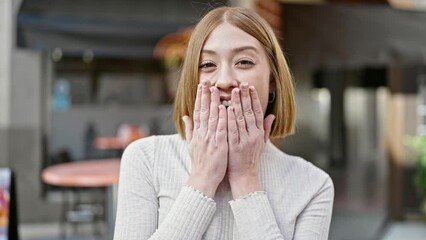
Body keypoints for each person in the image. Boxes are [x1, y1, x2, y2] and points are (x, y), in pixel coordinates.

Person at [114, 6, 334, 240]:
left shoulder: (313, 185)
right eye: (208, 65)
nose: (225, 80)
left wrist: (245, 178)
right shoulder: (145, 159)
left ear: (273, 82)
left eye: (244, 62)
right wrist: (203, 177)